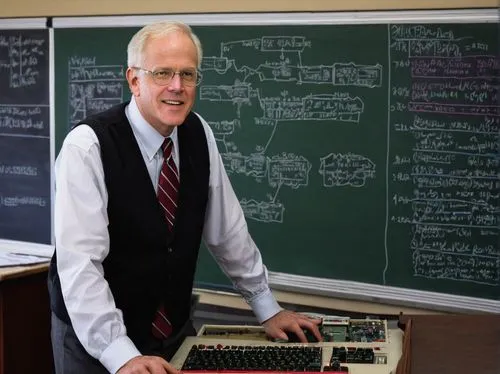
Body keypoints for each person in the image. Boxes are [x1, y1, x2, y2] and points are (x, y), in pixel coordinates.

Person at [48, 20, 321, 374]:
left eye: (188, 74)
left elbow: (228, 231)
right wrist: (122, 354)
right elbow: (81, 266)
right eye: (162, 73)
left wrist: (265, 305)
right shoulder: (87, 148)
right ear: (134, 80)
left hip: (171, 331)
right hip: (95, 342)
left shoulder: (198, 133)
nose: (177, 87)